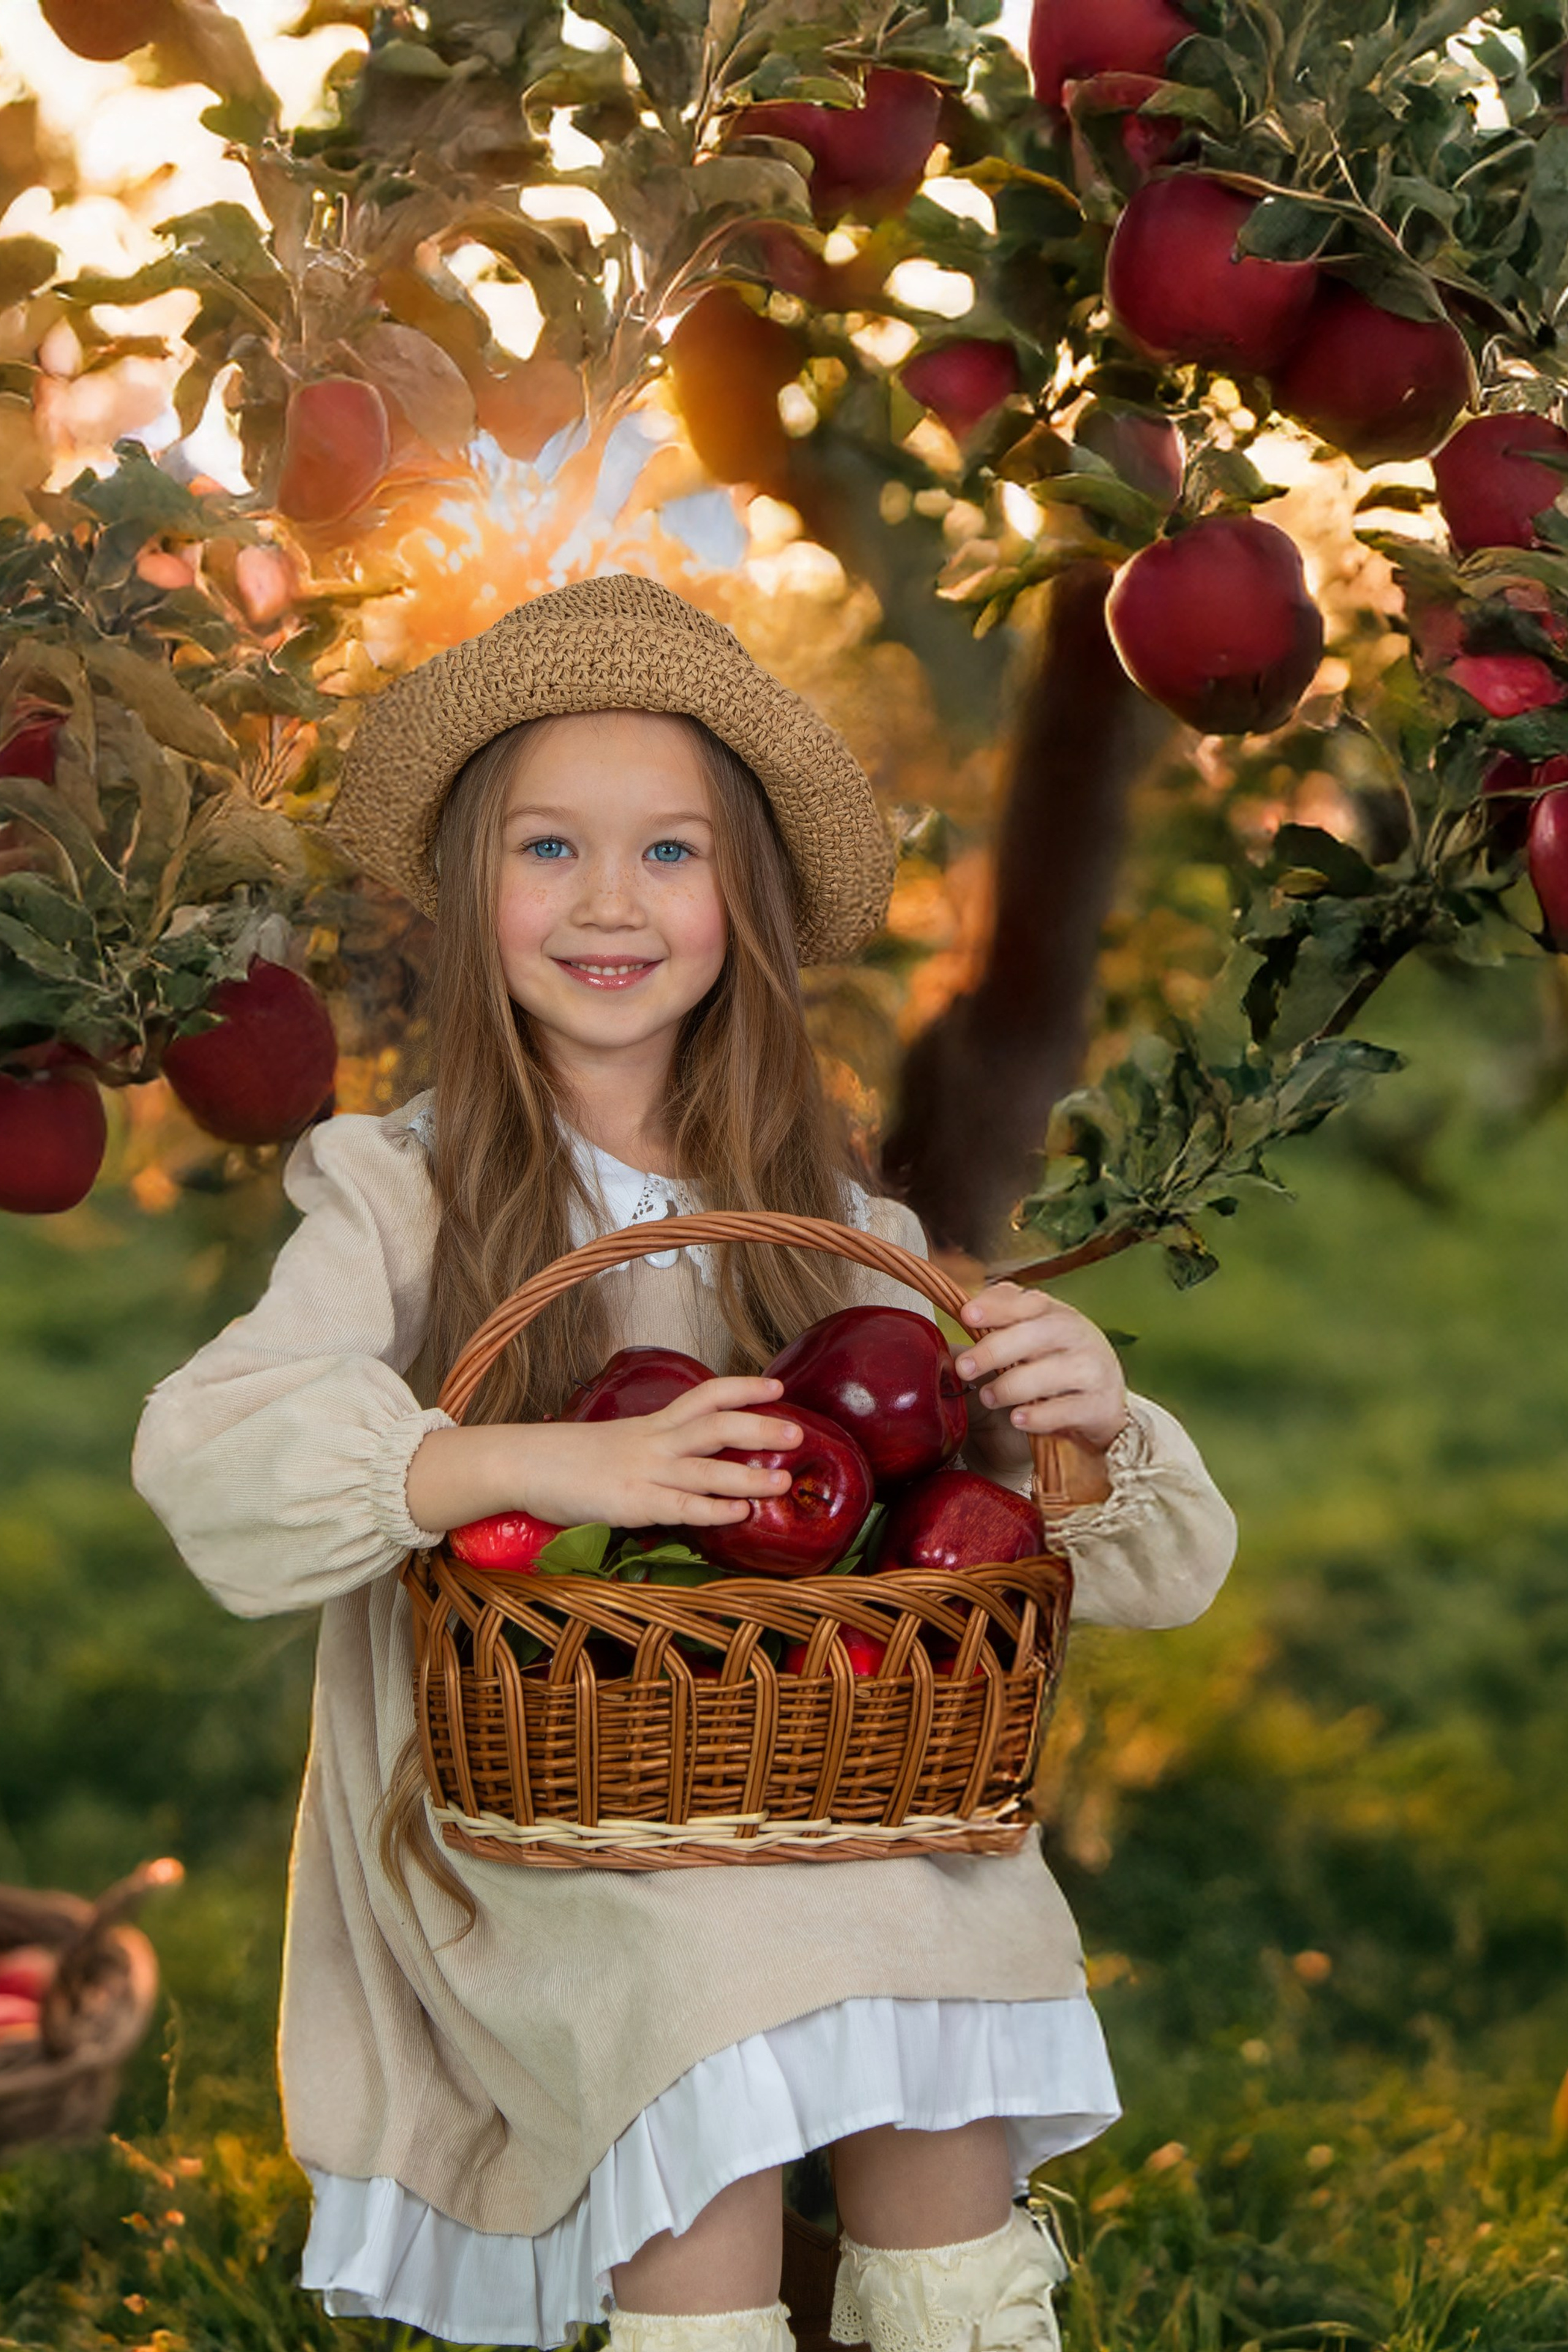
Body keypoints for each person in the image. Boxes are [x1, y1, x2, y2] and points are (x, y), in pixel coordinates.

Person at [133, 575, 1235, 2352]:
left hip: (819, 1776)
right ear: (470, 889)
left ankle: (955, 2315)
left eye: (670, 856)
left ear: (747, 903)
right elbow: (206, 1450)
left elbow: (1108, 1572)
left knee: (946, 1915)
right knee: (703, 1987)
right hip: (535, 1827)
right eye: (551, 850)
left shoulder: (835, 1223)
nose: (607, 906)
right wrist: (555, 1473)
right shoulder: (395, 1190)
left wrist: (1077, 1421)